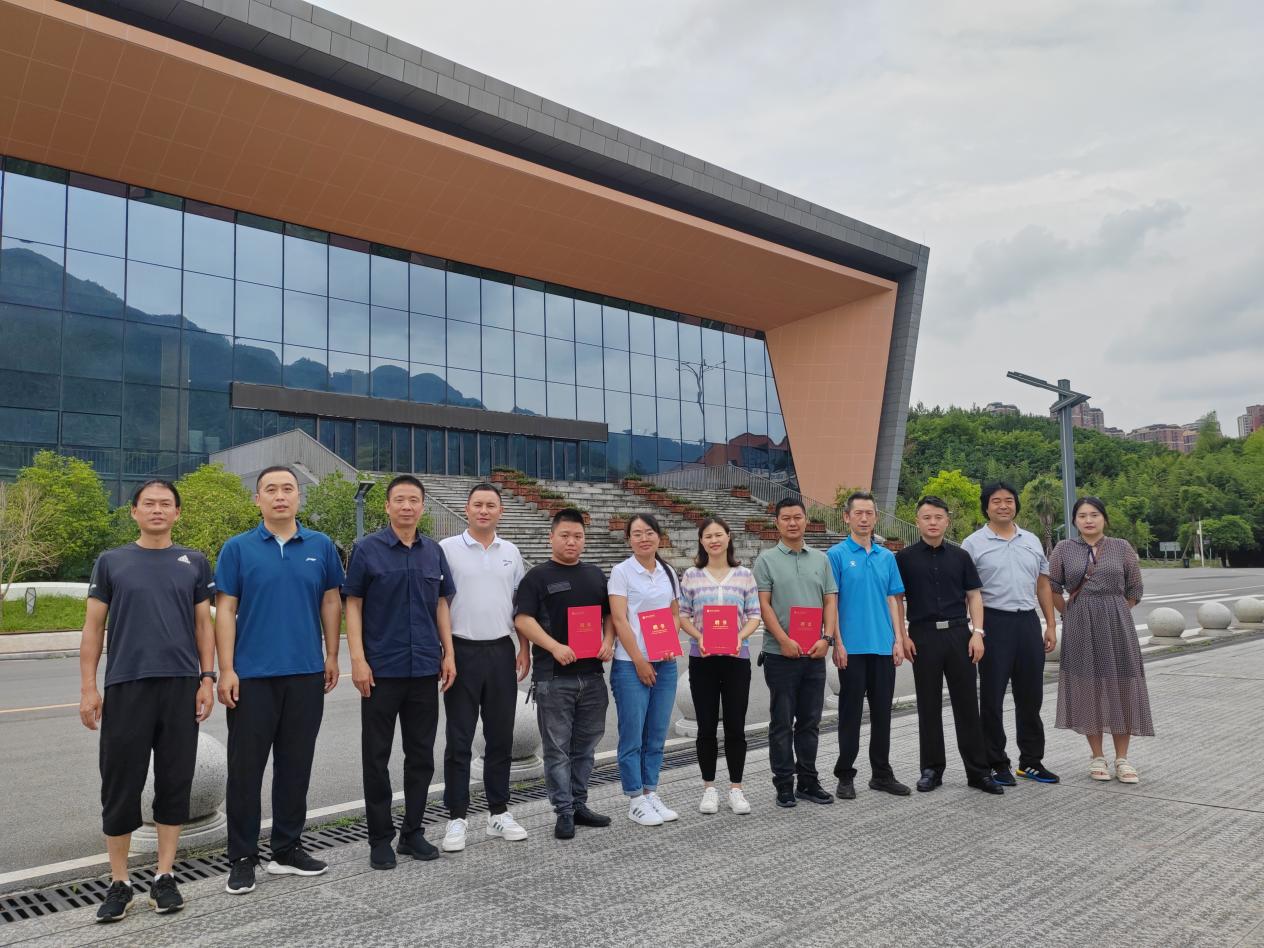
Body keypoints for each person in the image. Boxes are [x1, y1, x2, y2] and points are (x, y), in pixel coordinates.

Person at [78, 480, 217, 922]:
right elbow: (93, 628)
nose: (157, 510)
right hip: (126, 685)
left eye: (166, 504)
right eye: (149, 504)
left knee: (175, 780)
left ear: (177, 513)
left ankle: (164, 876)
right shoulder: (111, 561)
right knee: (120, 783)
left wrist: (207, 678)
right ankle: (119, 882)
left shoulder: (194, 562)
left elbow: (204, 625)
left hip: (181, 686)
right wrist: (88, 687)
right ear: (134, 511)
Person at [215, 465, 344, 895]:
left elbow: (330, 601)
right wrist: (226, 668)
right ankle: (242, 858)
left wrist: (331, 654)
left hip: (305, 674)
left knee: (295, 767)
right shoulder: (237, 548)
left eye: (288, 488)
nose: (280, 496)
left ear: (298, 497)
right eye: (270, 489)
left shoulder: (321, 546)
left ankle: (287, 850)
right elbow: (225, 610)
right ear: (258, 500)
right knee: (245, 771)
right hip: (252, 677)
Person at [344, 474, 456, 869]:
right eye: (400, 500)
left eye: (414, 500)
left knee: (421, 755)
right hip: (381, 670)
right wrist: (357, 659)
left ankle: (412, 833)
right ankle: (380, 838)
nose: (407, 506)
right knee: (376, 756)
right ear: (387, 506)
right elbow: (353, 604)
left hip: (424, 667)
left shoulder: (433, 552)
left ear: (422, 506)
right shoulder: (367, 549)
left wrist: (449, 653)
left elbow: (442, 604)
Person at [514, 508, 616, 840]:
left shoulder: (595, 575)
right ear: (551, 537)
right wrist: (554, 646)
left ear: (584, 540)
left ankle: (579, 803)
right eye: (565, 536)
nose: (572, 542)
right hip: (554, 677)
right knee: (557, 749)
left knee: (586, 746)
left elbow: (610, 615)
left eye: (578, 536)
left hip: (592, 675)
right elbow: (523, 619)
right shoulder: (537, 577)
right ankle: (564, 812)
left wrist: (608, 641)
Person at [438, 482, 529, 852]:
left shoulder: (511, 552)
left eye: (491, 505)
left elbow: (520, 606)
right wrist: (446, 653)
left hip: (501, 650)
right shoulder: (447, 548)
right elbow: (440, 603)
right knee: (459, 739)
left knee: (500, 737)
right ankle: (456, 817)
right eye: (478, 504)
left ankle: (498, 812)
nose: (484, 511)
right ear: (467, 508)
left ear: (500, 511)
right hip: (460, 650)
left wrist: (524, 649)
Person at [896, 497, 1003, 795]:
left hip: (959, 634)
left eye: (938, 517)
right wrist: (903, 636)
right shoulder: (904, 558)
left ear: (947, 520)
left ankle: (978, 772)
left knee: (967, 704)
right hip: (922, 636)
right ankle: (931, 769)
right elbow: (896, 599)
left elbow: (974, 596)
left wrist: (977, 633)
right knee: (928, 705)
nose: (933, 522)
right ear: (917, 521)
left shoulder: (961, 556)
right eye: (927, 517)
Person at [961, 481, 1060, 786]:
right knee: (992, 698)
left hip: (1027, 622)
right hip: (993, 623)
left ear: (1016, 504)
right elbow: (967, 591)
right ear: (986, 506)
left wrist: (1050, 624)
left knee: (1031, 697)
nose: (1003, 506)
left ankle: (1030, 761)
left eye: (1008, 500)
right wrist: (973, 631)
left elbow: (1042, 584)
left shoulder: (1031, 540)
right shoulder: (973, 544)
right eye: (996, 501)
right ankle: (996, 762)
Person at [1049, 497, 1153, 784]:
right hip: (1080, 622)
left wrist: (1115, 611)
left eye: (1094, 514)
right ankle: (1097, 756)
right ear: (1074, 521)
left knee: (1122, 684)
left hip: (1117, 623)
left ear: (1104, 518)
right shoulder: (1063, 548)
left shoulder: (1121, 547)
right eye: (1082, 515)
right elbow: (1052, 586)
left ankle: (1122, 758)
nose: (1088, 520)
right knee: (1089, 686)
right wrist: (1069, 612)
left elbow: (1135, 588)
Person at [753, 498, 840, 808]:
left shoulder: (821, 559)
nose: (792, 523)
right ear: (777, 523)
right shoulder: (766, 560)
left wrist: (827, 638)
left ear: (806, 521)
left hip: (814, 653)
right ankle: (784, 784)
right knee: (781, 722)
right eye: (786, 518)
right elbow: (764, 604)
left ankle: (808, 781)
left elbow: (830, 600)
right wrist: (783, 640)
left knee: (810, 722)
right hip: (780, 655)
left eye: (797, 517)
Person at [828, 491, 910, 799]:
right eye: (858, 513)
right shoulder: (836, 555)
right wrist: (837, 642)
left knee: (882, 714)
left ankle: (882, 774)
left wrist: (898, 640)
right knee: (850, 714)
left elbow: (893, 601)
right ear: (846, 517)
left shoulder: (886, 557)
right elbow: (832, 602)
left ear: (876, 517)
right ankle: (845, 775)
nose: (864, 518)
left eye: (869, 513)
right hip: (852, 649)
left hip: (883, 648)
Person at [677, 517, 760, 815]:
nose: (714, 540)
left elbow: (754, 615)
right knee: (706, 727)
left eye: (718, 535)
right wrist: (700, 637)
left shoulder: (745, 575)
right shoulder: (691, 575)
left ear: (728, 537)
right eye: (708, 536)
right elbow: (683, 616)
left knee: (736, 726)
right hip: (703, 660)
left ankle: (736, 788)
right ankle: (709, 788)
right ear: (701, 541)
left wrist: (739, 637)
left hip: (737, 659)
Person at [609, 513, 683, 826]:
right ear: (629, 539)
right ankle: (635, 798)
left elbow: (675, 614)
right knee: (633, 734)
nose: (643, 538)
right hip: (630, 664)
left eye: (649, 532)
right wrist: (639, 660)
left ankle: (651, 791)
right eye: (637, 533)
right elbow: (619, 619)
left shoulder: (668, 571)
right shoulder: (621, 572)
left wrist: (669, 643)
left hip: (665, 662)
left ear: (659, 536)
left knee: (656, 732)